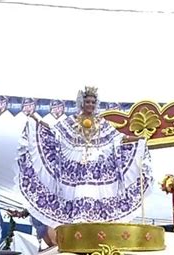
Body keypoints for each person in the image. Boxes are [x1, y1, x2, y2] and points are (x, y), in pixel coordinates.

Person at [13, 86, 153, 233]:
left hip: (96, 167)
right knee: (78, 195)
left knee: (96, 195)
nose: (90, 105)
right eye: (88, 102)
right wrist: (37, 121)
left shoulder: (101, 123)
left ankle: (95, 229)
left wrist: (139, 140)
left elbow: (118, 139)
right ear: (82, 103)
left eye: (93, 102)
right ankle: (78, 227)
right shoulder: (72, 120)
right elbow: (54, 132)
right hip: (77, 167)